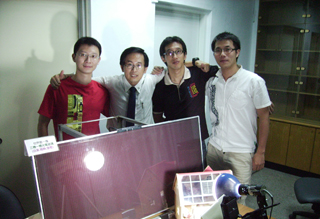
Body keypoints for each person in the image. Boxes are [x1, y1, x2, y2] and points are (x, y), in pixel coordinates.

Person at [50, 47, 206, 127]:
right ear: (121, 67)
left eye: (139, 65)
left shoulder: (152, 79)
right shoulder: (112, 81)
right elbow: (85, 76)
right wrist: (64, 76)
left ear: (145, 68)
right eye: (129, 65)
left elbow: (174, 65)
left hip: (145, 136)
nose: (134, 70)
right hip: (116, 135)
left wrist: (196, 62)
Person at [205, 32, 271, 203]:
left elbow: (264, 118)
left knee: (238, 202)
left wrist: (260, 152)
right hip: (214, 149)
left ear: (237, 52)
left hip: (240, 152)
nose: (223, 54)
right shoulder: (211, 81)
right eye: (218, 50)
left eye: (228, 49)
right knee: (212, 196)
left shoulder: (254, 81)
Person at [152, 36, 219, 159]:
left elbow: (221, 70)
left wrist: (196, 62)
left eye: (178, 51)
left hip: (197, 140)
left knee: (198, 176)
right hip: (172, 143)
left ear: (185, 54)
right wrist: (170, 131)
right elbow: (157, 116)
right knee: (173, 177)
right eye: (170, 53)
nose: (175, 56)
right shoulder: (159, 85)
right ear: (163, 58)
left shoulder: (198, 73)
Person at [37, 37, 109, 140]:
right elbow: (43, 123)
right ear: (74, 57)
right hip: (64, 152)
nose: (88, 60)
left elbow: (114, 119)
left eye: (93, 56)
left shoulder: (102, 91)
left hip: (93, 152)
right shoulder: (57, 87)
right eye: (83, 55)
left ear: (98, 60)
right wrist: (46, 153)